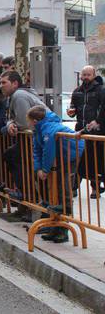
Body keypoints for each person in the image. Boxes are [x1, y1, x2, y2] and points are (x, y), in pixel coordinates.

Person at [29, 106, 83, 243]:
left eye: (29, 121)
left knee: (63, 187)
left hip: (72, 154)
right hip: (61, 157)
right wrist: (38, 169)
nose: (28, 123)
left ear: (35, 120)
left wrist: (45, 170)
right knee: (54, 188)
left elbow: (48, 151)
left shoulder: (49, 128)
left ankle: (63, 229)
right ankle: (55, 225)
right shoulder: (38, 129)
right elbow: (37, 150)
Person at [0, 70, 48, 218]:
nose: (1, 86)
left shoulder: (19, 95)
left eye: (4, 83)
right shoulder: (16, 95)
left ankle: (29, 199)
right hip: (35, 138)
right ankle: (26, 198)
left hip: (39, 139)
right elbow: (13, 119)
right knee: (12, 155)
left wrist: (9, 126)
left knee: (25, 164)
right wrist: (9, 124)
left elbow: (23, 123)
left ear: (15, 83)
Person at [68, 65, 105, 198]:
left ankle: (95, 189)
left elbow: (103, 110)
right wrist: (71, 112)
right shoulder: (77, 91)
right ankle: (73, 188)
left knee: (95, 160)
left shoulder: (101, 90)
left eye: (88, 75)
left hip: (96, 132)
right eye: (84, 75)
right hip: (80, 129)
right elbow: (72, 109)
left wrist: (97, 122)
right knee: (78, 160)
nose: (85, 77)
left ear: (94, 75)